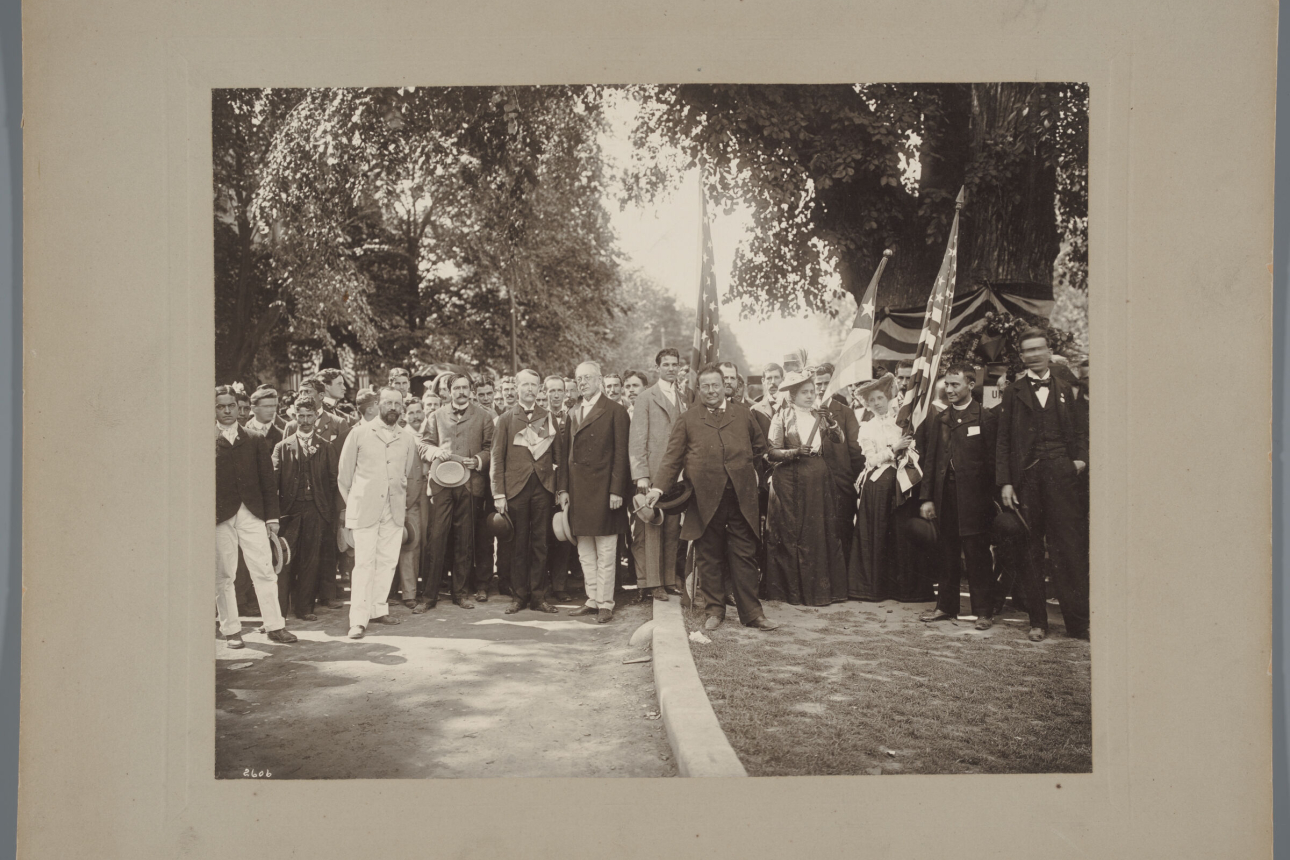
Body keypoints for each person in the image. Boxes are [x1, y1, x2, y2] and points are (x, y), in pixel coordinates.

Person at [646, 365, 778, 631]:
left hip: (741, 499)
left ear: (725, 386)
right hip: (703, 499)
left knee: (744, 555)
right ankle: (714, 611)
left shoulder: (743, 415)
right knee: (709, 556)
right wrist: (658, 488)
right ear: (699, 389)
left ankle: (753, 614)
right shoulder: (688, 419)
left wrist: (744, 472)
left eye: (715, 385)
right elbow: (672, 458)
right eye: (705, 386)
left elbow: (759, 448)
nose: (711, 391)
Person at [997, 329, 1089, 642]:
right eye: (1028, 351)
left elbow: (1081, 432)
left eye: (1039, 349)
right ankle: (1038, 622)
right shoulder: (1013, 391)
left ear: (1048, 351)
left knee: (1068, 549)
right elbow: (1004, 440)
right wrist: (1006, 482)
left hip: (1062, 477)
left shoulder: (1066, 388)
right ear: (1022, 357)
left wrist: (1079, 461)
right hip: (1028, 480)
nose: (1034, 355)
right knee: (1029, 548)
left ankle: (1078, 624)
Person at [917, 365, 1000, 629]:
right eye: (947, 385)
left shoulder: (984, 417)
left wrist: (990, 500)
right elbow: (931, 461)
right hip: (945, 496)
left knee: (977, 554)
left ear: (971, 385)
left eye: (956, 385)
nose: (950, 390)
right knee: (947, 552)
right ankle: (945, 607)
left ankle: (984, 611)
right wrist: (927, 498)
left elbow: (993, 463)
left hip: (975, 498)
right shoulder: (941, 419)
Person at [215, 385, 297, 647]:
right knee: (225, 574)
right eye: (220, 406)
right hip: (218, 517)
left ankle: (275, 625)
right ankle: (231, 630)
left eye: (231, 406)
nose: (227, 411)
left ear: (239, 408)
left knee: (264, 570)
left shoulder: (254, 439)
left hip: (252, 514)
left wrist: (272, 519)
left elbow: (267, 483)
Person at [336, 388, 419, 639]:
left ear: (402, 407)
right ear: (378, 405)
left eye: (397, 403)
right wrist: (354, 506)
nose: (393, 407)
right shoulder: (359, 433)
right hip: (365, 509)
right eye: (388, 402)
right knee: (363, 563)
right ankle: (358, 620)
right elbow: (344, 476)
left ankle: (378, 609)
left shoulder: (406, 438)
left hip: (393, 510)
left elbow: (404, 473)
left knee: (387, 560)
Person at [764, 370, 848, 606]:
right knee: (792, 533)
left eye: (812, 392)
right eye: (805, 393)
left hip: (817, 479)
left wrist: (830, 420)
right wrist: (794, 452)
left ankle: (819, 591)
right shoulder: (781, 417)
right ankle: (791, 592)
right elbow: (771, 453)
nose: (811, 396)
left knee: (817, 531)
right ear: (792, 396)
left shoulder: (819, 414)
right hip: (789, 481)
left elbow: (839, 439)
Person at [557, 361, 631, 624]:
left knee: (607, 551)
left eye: (588, 377)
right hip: (579, 492)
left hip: (605, 492)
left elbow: (622, 455)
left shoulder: (615, 411)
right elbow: (567, 456)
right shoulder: (573, 411)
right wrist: (563, 489)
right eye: (579, 378)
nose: (582, 382)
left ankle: (606, 603)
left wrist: (617, 491)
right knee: (585, 551)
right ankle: (591, 599)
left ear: (599, 380)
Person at [418, 373, 495, 610]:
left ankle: (460, 593)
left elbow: (492, 448)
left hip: (470, 485)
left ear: (471, 391)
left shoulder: (484, 416)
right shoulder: (435, 416)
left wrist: (479, 460)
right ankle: (429, 596)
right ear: (449, 391)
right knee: (437, 537)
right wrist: (434, 453)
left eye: (465, 388)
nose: (461, 392)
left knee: (465, 540)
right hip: (442, 484)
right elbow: (423, 444)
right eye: (456, 388)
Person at [491, 369, 561, 614]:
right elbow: (496, 459)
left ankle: (539, 597)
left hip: (543, 486)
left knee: (540, 543)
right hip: (516, 488)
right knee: (518, 544)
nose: (530, 389)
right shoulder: (506, 419)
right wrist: (499, 494)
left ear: (539, 388)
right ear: (517, 387)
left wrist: (559, 488)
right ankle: (519, 596)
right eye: (525, 385)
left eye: (534, 385)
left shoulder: (548, 417)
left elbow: (558, 456)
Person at [848, 374, 913, 602]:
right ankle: (874, 587)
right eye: (871, 401)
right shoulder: (867, 428)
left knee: (899, 532)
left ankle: (902, 588)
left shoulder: (901, 421)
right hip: (878, 486)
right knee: (878, 533)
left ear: (887, 397)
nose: (876, 403)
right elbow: (871, 460)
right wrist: (893, 449)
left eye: (879, 398)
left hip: (901, 483)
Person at [272, 393, 336, 622]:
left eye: (309, 416)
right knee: (285, 559)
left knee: (311, 559)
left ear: (316, 418)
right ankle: (279, 610)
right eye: (301, 416)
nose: (305, 420)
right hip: (289, 511)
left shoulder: (326, 447)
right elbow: (273, 482)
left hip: (316, 510)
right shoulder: (282, 447)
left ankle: (304, 608)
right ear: (295, 417)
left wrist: (328, 512)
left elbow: (332, 482)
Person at [629, 348, 687, 602]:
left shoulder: (684, 397)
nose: (671, 368)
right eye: (666, 364)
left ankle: (668, 579)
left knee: (672, 527)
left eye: (675, 364)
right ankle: (652, 583)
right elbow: (637, 439)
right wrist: (641, 475)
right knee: (651, 528)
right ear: (657, 367)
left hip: (678, 474)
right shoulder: (646, 398)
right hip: (652, 473)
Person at [812, 363, 865, 567]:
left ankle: (844, 580)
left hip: (841, 482)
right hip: (814, 481)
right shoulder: (806, 410)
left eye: (827, 383)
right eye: (818, 383)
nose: (822, 388)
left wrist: (853, 482)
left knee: (842, 528)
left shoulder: (845, 412)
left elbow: (855, 451)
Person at [396, 396, 430, 609]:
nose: (416, 416)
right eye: (411, 413)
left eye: (419, 412)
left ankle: (426, 587)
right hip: (410, 497)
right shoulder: (401, 437)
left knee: (428, 542)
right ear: (404, 416)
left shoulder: (430, 434)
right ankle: (409, 592)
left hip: (430, 497)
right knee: (411, 543)